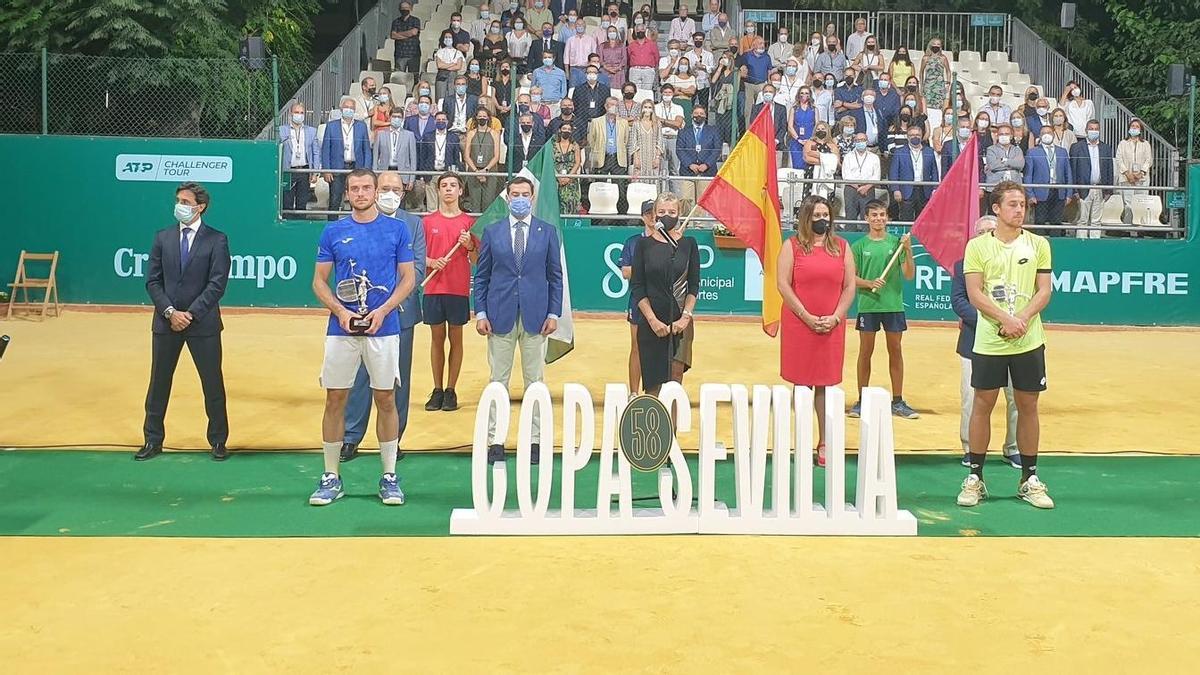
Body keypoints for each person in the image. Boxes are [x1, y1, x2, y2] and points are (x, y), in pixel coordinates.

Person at [309, 168, 416, 506]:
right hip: (341, 330)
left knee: (386, 399)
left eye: (366, 187)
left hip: (384, 330)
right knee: (335, 399)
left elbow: (408, 279)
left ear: (375, 190)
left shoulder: (397, 230)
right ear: (347, 193)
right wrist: (342, 313)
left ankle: (389, 476)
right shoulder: (333, 231)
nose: (360, 193)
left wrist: (382, 312)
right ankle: (331, 476)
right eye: (354, 188)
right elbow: (319, 282)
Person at [957, 180, 1054, 510]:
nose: (1019, 209)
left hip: (1028, 340)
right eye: (1012, 204)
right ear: (996, 209)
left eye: (1023, 204)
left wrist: (1022, 318)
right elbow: (975, 293)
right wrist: (1005, 320)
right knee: (982, 405)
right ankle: (975, 477)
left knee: (1028, 407)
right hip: (990, 341)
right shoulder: (978, 247)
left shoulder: (1039, 244)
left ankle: (1029, 478)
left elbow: (1044, 291)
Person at [138, 183, 232, 462]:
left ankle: (218, 441)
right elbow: (152, 281)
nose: (180, 205)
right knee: (158, 383)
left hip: (203, 325)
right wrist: (169, 312)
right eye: (178, 200)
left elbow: (217, 284)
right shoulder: (162, 237)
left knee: (212, 383)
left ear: (200, 206)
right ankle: (152, 440)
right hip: (165, 324)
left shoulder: (217, 239)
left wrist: (190, 314)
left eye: (186, 201)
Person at [475, 177, 564, 464]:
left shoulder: (547, 232)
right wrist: (480, 312)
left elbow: (555, 276)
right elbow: (482, 277)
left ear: (533, 197)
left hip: (537, 317)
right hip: (499, 314)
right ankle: (495, 440)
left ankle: (535, 440)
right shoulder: (492, 232)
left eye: (525, 194)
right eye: (516, 194)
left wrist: (554, 313)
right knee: (497, 381)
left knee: (535, 381)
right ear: (507, 198)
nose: (521, 199)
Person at [339, 171, 427, 462]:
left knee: (396, 380)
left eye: (396, 189)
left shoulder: (414, 224)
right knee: (358, 375)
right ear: (376, 190)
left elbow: (416, 270)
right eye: (385, 188)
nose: (390, 193)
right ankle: (351, 436)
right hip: (360, 315)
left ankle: (393, 439)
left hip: (399, 316)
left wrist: (387, 304)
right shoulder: (353, 223)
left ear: (403, 192)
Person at [777, 194, 856, 466]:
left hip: (831, 325)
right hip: (800, 324)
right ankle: (800, 441)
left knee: (824, 386)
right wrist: (806, 316)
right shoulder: (792, 246)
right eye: (817, 216)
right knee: (801, 384)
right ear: (806, 219)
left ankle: (824, 442)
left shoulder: (843, 247)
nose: (823, 220)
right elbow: (783, 284)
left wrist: (835, 317)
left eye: (826, 215)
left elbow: (849, 286)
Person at [952, 215, 1021, 470]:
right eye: (980, 232)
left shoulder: (1015, 262)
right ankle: (971, 448)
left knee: (1016, 397)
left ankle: (1013, 448)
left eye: (990, 231)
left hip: (1013, 341)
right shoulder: (962, 265)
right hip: (974, 341)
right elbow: (959, 301)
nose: (985, 235)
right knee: (971, 398)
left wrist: (1011, 324)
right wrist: (989, 322)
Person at [848, 200, 918, 419]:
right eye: (874, 215)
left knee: (895, 351)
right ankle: (861, 400)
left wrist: (907, 251)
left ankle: (897, 401)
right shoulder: (858, 246)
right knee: (865, 352)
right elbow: (849, 277)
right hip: (868, 306)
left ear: (887, 218)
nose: (879, 219)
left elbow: (909, 274)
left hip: (893, 306)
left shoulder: (897, 243)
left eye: (882, 215)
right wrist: (869, 283)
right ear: (866, 218)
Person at [630, 193, 699, 395]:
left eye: (672, 212)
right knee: (652, 382)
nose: (666, 215)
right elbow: (638, 286)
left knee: (675, 381)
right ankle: (654, 426)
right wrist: (652, 320)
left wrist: (685, 317)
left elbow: (693, 285)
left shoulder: (689, 244)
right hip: (651, 322)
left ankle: (673, 427)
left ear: (679, 214)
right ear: (653, 215)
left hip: (681, 322)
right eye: (661, 212)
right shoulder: (643, 245)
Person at [422, 172, 478, 413]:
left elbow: (476, 258)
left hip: (458, 288)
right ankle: (436, 388)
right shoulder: (426, 222)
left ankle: (451, 389)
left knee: (456, 338)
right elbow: (416, 256)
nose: (448, 189)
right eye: (444, 185)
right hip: (434, 287)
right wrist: (432, 262)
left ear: (460, 191)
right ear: (438, 190)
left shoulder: (469, 223)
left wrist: (469, 245)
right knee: (436, 339)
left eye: (453, 185)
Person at [619, 199, 658, 393]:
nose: (652, 217)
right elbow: (625, 272)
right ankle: (633, 393)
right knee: (636, 346)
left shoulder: (667, 240)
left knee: (659, 349)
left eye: (655, 212)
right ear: (643, 216)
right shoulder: (633, 242)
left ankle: (655, 391)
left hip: (661, 299)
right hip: (637, 299)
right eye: (648, 213)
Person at [320, 97, 372, 220]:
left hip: (356, 168)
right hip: (337, 168)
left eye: (351, 108)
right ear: (341, 109)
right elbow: (326, 149)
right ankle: (332, 226)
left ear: (355, 110)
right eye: (346, 107)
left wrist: (367, 170)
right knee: (335, 199)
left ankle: (359, 224)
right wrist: (326, 169)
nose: (349, 110)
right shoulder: (331, 126)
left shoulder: (361, 126)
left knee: (358, 199)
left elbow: (367, 150)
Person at [1069, 119, 1115, 239]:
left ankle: (1095, 245)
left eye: (1096, 129)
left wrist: (1109, 190)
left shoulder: (1106, 148)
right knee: (1082, 220)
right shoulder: (1076, 147)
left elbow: (1110, 169)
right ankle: (1082, 244)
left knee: (1096, 221)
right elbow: (1073, 169)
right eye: (1091, 129)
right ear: (1086, 131)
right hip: (1083, 188)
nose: (1093, 131)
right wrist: (1074, 190)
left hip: (1100, 188)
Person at [1024, 129, 1073, 235]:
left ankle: (1056, 245)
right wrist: (1030, 194)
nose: (1047, 135)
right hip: (1040, 193)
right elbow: (1028, 175)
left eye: (1049, 133)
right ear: (1040, 136)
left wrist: (1069, 193)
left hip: (1059, 191)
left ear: (1053, 135)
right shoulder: (1032, 152)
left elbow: (1068, 173)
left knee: (1056, 222)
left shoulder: (1062, 151)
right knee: (1040, 221)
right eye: (1043, 133)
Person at [587, 97, 631, 213]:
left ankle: (621, 218)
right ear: (605, 106)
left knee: (620, 189)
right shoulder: (596, 122)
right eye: (610, 105)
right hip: (602, 158)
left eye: (615, 105)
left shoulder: (624, 123)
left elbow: (625, 141)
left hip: (618, 158)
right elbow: (591, 140)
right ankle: (599, 216)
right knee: (599, 188)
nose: (612, 107)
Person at [888, 124, 937, 221]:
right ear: (907, 136)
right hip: (906, 189)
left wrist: (935, 188)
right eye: (912, 135)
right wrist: (895, 189)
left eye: (918, 135)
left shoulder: (929, 151)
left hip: (924, 190)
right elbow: (893, 172)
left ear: (922, 135)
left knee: (923, 219)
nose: (915, 137)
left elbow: (934, 171)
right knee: (906, 218)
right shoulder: (899, 152)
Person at [279, 101, 318, 213]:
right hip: (288, 170)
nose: (299, 115)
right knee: (287, 203)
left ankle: (301, 224)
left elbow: (315, 152)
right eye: (296, 112)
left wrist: (314, 172)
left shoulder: (311, 131)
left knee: (302, 202)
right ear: (291, 114)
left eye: (302, 113)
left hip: (304, 170)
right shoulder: (282, 130)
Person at [463, 109, 503, 212]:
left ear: (488, 118)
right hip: (474, 171)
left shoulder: (494, 133)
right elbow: (467, 155)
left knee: (488, 202)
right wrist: (476, 171)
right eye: (479, 116)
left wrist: (485, 170)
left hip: (490, 171)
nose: (482, 118)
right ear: (476, 118)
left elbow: (496, 156)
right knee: (474, 202)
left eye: (484, 116)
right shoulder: (471, 133)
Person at [372, 109, 418, 194]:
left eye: (399, 117)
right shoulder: (381, 134)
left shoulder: (409, 135)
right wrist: (375, 176)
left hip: (403, 174)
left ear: (402, 119)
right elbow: (375, 157)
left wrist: (411, 179)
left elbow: (413, 158)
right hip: (385, 172)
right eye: (394, 116)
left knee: (401, 201)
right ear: (389, 117)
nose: (396, 119)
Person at [1117, 119, 1152, 226]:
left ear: (1141, 129)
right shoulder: (1123, 143)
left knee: (1141, 203)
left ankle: (1140, 227)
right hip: (1126, 178)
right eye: (1132, 126)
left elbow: (1148, 159)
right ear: (1129, 128)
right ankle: (1127, 227)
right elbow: (1119, 159)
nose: (1134, 128)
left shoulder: (1145, 144)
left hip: (1142, 179)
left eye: (1137, 127)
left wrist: (1141, 173)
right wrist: (1128, 173)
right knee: (1128, 204)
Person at [983, 123, 1024, 214]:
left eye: (1006, 134)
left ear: (1011, 136)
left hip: (1014, 187)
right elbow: (993, 165)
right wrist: (1011, 163)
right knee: (994, 214)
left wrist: (1003, 160)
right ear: (997, 136)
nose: (1004, 136)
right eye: (1001, 134)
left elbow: (1020, 164)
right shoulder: (991, 149)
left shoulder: (1017, 150)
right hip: (995, 188)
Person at [841, 133, 880, 222]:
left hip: (868, 188)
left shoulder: (874, 157)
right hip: (851, 188)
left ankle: (866, 235)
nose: (860, 142)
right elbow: (846, 175)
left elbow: (876, 176)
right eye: (858, 140)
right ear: (854, 142)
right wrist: (858, 187)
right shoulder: (848, 157)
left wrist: (866, 187)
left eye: (862, 140)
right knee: (850, 215)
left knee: (867, 216)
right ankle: (849, 235)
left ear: (866, 142)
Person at [629, 99, 664, 188]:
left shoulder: (657, 124)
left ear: (653, 109)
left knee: (653, 181)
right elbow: (633, 142)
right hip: (640, 157)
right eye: (645, 107)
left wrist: (657, 158)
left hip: (653, 157)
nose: (647, 109)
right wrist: (636, 158)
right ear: (641, 109)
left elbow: (660, 141)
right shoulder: (636, 124)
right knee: (638, 180)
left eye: (649, 107)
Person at [552, 120, 583, 213]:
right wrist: (558, 177)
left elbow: (577, 162)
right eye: (564, 128)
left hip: (571, 178)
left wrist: (569, 177)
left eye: (569, 129)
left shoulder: (575, 145)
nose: (566, 131)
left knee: (571, 202)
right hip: (556, 177)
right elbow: (550, 161)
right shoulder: (552, 145)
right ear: (559, 130)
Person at [788, 85, 816, 168]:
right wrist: (798, 139)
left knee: (810, 166)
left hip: (811, 141)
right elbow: (790, 126)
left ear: (810, 95)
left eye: (806, 93)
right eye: (802, 93)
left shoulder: (814, 109)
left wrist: (811, 139)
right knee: (797, 165)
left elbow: (817, 125)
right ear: (798, 95)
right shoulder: (794, 109)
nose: (804, 95)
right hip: (797, 142)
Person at [391, 2, 423, 73]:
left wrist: (399, 34)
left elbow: (414, 32)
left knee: (414, 76)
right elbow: (393, 35)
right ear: (399, 9)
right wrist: (408, 34)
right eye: (402, 8)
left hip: (413, 54)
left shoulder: (415, 20)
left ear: (410, 9)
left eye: (406, 8)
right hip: (400, 54)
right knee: (399, 77)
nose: (404, 10)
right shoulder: (396, 22)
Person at [921, 37, 950, 111]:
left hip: (939, 86)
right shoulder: (925, 58)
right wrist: (921, 85)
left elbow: (948, 71)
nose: (936, 46)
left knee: (940, 105)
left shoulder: (943, 58)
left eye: (938, 44)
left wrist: (948, 83)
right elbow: (921, 72)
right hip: (928, 86)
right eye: (934, 44)